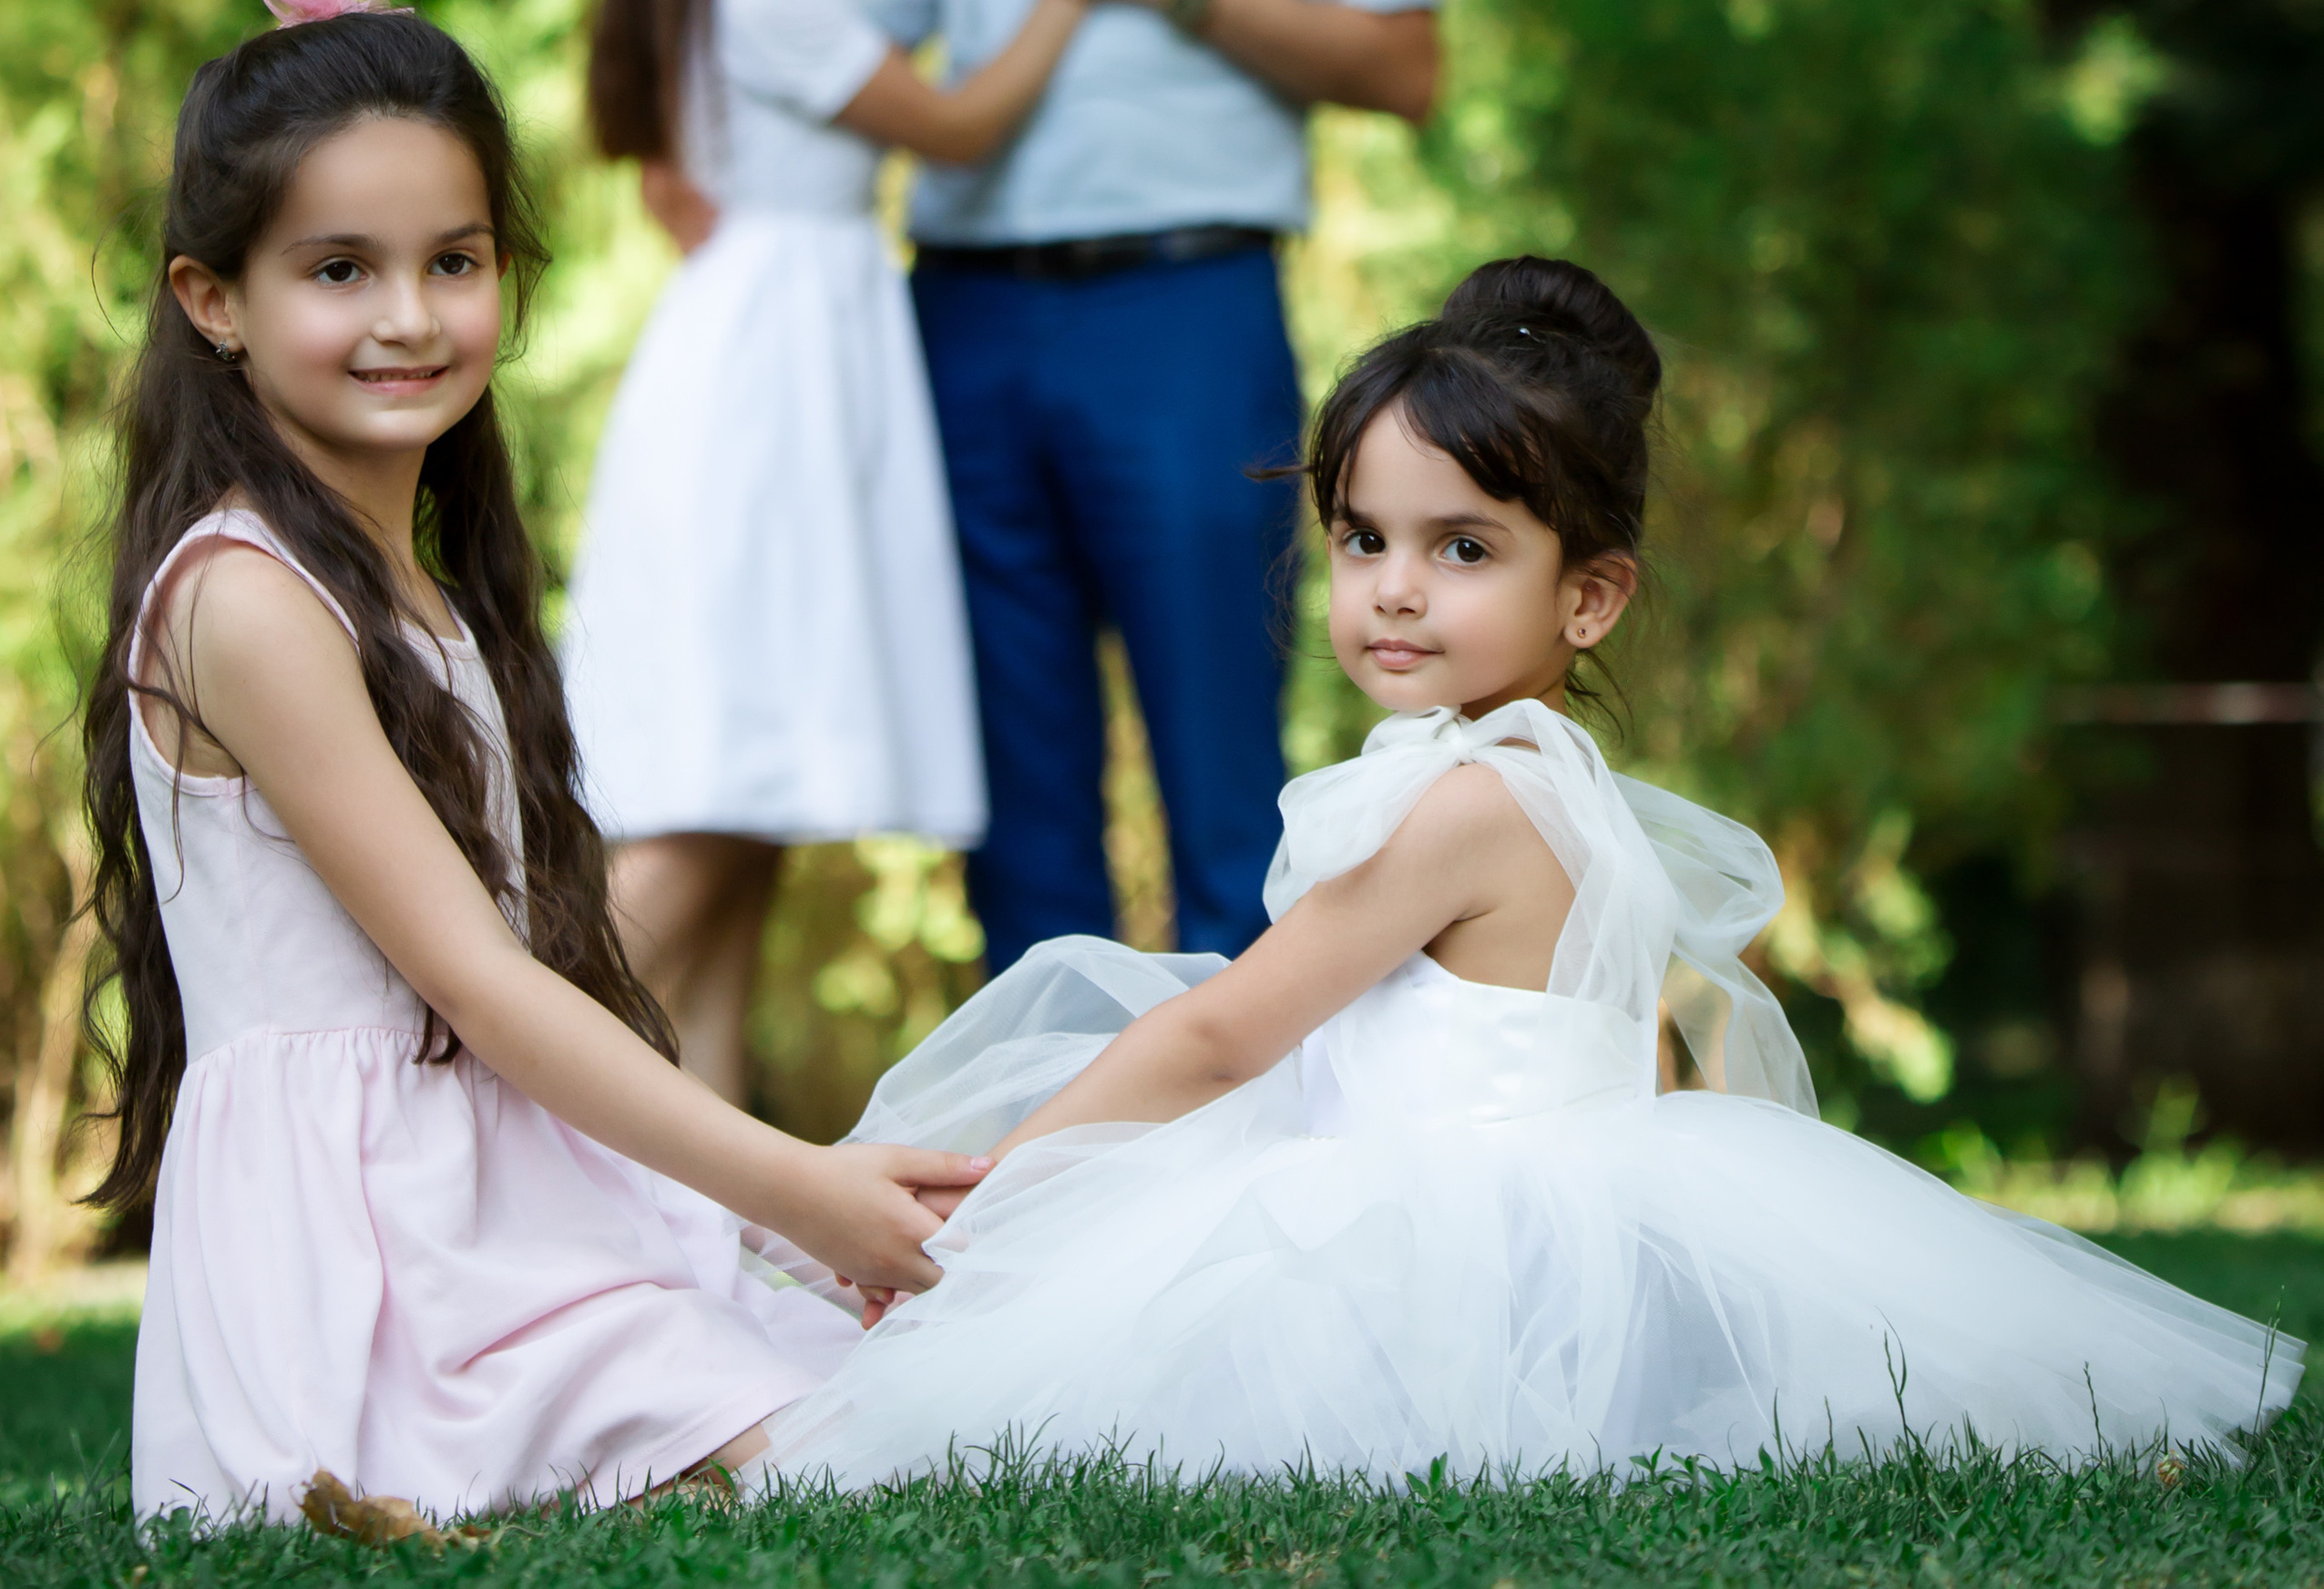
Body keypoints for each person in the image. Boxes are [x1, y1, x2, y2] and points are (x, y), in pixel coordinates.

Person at [769, 255, 2298, 1487]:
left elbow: (1225, 1031)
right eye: (1363, 538)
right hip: (1481, 1188)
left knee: (1015, 1388)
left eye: (1463, 548)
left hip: (1442, 1240)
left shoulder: (1469, 807)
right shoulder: (1549, 784)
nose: (1392, 592)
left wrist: (986, 1202)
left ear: (1592, 597)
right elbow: (1626, 1040)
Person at [85, 0, 988, 1526]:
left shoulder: (419, 582)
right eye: (340, 271)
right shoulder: (246, 600)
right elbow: (478, 984)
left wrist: (763, 1224)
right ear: (212, 300)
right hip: (370, 1264)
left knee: (922, 1382)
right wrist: (792, 1183)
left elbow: (531, 982)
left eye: (456, 261)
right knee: (833, 1460)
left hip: (492, 1191)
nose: (413, 318)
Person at [844, 0, 1440, 973]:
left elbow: (1407, 60)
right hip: (961, 316)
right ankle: (1034, 1177)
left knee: (1224, 778)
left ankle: (1245, 1170)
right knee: (1010, 793)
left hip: (1186, 318)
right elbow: (843, 47)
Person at [562, 0, 1087, 1102]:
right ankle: (511, 1067)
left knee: (749, 832)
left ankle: (715, 1222)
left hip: (759, 354)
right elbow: (961, 124)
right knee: (718, 801)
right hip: (782, 385)